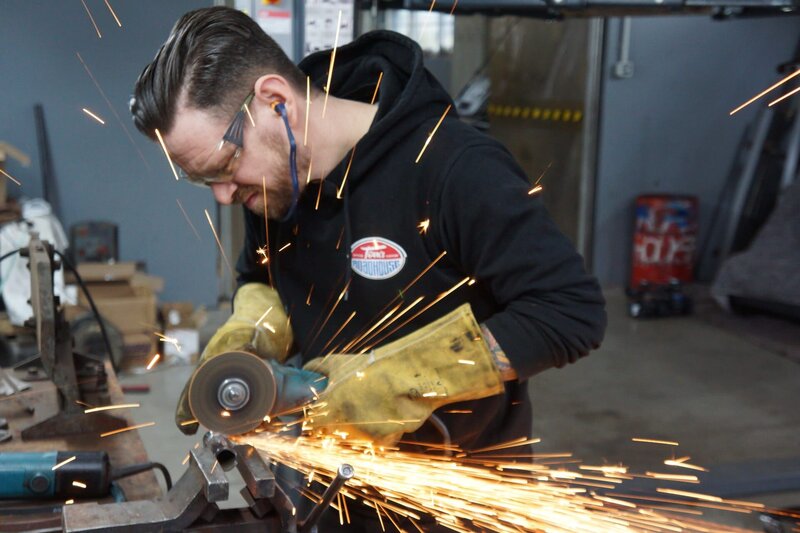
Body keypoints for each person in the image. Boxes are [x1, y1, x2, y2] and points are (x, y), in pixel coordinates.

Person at [131, 6, 606, 530]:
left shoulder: (454, 168)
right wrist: (252, 333)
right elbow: (262, 277)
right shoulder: (273, 183)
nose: (223, 195)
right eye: (205, 182)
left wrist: (399, 380)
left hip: (459, 501)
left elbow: (570, 311)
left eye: (224, 167)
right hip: (332, 487)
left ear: (274, 101)